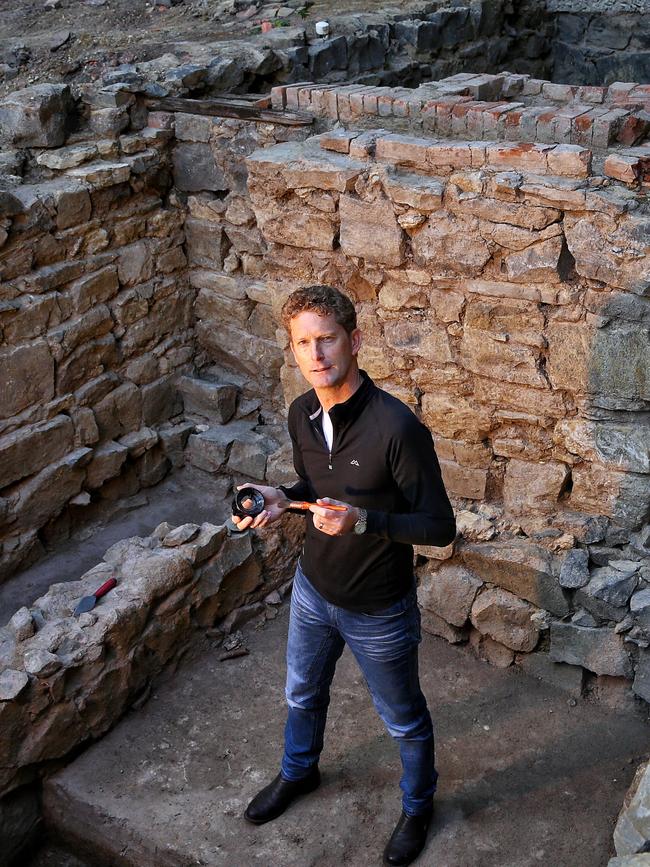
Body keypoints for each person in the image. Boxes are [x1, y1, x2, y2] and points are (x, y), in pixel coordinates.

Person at [233, 285, 455, 866]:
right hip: (312, 590)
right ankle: (298, 773)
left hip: (378, 607)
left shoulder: (396, 428)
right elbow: (316, 490)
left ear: (354, 341)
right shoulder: (301, 412)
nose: (316, 354)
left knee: (403, 721)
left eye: (326, 339)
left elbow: (438, 526)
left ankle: (417, 807)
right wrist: (281, 497)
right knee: (301, 694)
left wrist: (363, 522)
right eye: (303, 343)